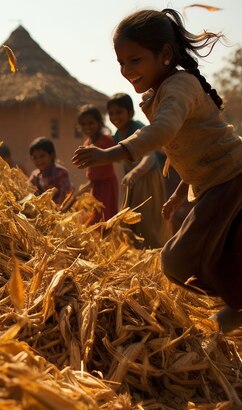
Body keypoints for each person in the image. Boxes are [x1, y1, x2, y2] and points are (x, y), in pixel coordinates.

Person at [72, 9, 242, 333]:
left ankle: (236, 304)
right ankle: (236, 303)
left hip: (231, 177)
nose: (126, 70)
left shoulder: (180, 86)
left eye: (134, 60)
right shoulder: (162, 92)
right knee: (203, 248)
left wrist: (110, 153)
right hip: (213, 182)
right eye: (121, 63)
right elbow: (190, 150)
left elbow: (164, 132)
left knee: (177, 261)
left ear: (165, 54)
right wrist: (181, 192)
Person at [107, 93, 168, 248]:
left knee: (148, 222)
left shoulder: (138, 129)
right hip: (133, 181)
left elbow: (150, 157)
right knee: (131, 223)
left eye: (119, 112)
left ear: (130, 113)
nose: (115, 117)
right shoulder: (117, 135)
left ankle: (155, 256)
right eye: (112, 113)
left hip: (148, 178)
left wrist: (135, 173)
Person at [77, 105, 118, 224]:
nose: (87, 127)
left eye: (91, 123)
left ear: (99, 123)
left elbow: (108, 163)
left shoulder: (107, 141)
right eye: (83, 124)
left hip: (106, 184)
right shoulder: (87, 143)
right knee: (95, 214)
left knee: (106, 217)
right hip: (95, 186)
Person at [28, 137, 72, 205]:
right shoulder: (35, 176)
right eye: (35, 157)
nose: (38, 160)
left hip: (60, 210)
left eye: (42, 156)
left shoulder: (61, 173)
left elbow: (66, 195)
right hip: (42, 212)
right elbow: (27, 190)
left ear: (52, 155)